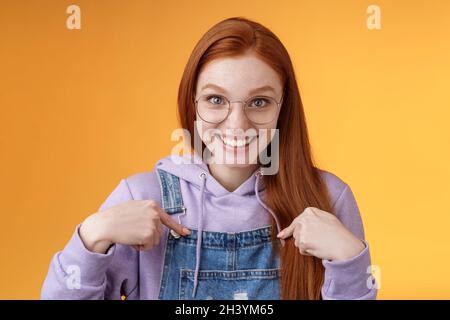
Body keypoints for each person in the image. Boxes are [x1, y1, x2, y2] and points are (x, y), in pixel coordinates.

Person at [41, 17, 377, 300]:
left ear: (282, 107)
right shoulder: (143, 197)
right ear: (193, 103)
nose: (237, 124)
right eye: (216, 99)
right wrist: (92, 235)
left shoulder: (328, 199)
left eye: (258, 102)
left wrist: (351, 260)